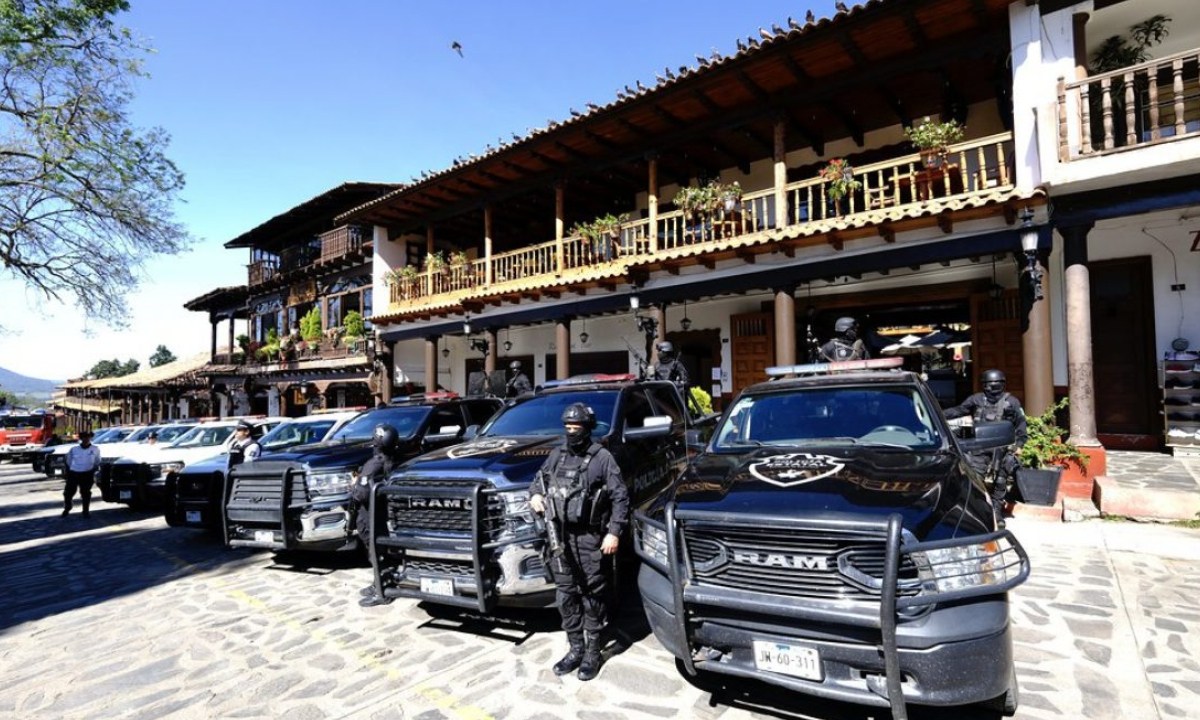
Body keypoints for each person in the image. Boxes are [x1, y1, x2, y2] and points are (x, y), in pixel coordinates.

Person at [529, 403, 629, 681]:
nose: (572, 433)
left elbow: (620, 496)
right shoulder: (556, 455)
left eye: (577, 429)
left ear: (587, 429)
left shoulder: (602, 457)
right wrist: (535, 496)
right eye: (568, 428)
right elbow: (538, 482)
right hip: (559, 537)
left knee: (591, 596)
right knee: (566, 596)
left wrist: (614, 532)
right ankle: (575, 649)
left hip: (589, 537)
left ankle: (593, 652)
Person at [944, 369, 1028, 528]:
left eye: (996, 384)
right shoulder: (976, 399)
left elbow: (1021, 428)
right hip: (979, 449)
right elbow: (959, 410)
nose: (993, 388)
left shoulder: (1012, 403)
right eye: (990, 385)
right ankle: (977, 511)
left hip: (1001, 450)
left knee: (1001, 481)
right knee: (976, 481)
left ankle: (996, 512)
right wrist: (939, 414)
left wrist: (1018, 447)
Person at [357, 424, 405, 607]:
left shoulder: (374, 463)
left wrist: (353, 487)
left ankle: (380, 589)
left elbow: (361, 493)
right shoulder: (393, 460)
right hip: (382, 513)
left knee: (374, 550)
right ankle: (378, 582)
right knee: (379, 550)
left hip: (369, 513)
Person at [63, 429, 102, 517]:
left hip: (87, 473)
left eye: (88, 437)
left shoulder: (95, 449)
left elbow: (97, 461)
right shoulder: (74, 449)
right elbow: (69, 461)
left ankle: (85, 511)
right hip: (74, 472)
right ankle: (67, 506)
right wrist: (71, 470)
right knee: (68, 492)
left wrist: (93, 470)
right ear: (81, 438)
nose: (86, 439)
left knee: (85, 492)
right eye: (84, 437)